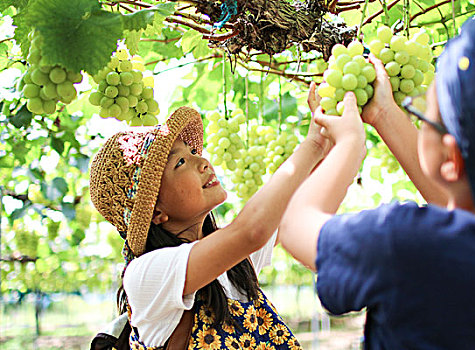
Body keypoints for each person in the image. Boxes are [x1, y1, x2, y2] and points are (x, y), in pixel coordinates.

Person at [279, 7, 475, 349]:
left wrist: (348, 145)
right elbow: (470, 208)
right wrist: (384, 114)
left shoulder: (405, 245)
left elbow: (294, 225)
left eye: (423, 114)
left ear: (450, 157)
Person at [88, 89, 331, 349]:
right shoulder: (145, 276)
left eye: (193, 151)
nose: (202, 162)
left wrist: (332, 134)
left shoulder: (235, 263)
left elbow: (299, 202)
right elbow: (252, 230)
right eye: (180, 162)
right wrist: (314, 145)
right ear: (155, 211)